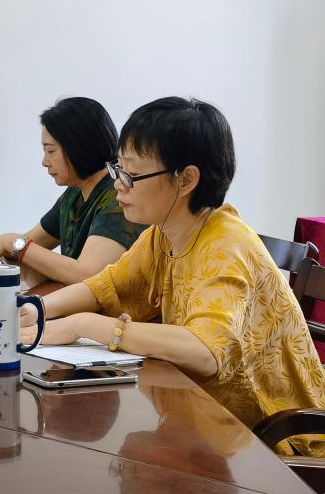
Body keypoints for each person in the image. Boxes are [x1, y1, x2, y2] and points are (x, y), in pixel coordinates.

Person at [19, 97, 325, 456]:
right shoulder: (164, 233)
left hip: (286, 444)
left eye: (131, 175)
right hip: (219, 427)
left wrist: (84, 325)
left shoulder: (226, 245)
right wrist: (37, 309)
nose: (119, 185)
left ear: (186, 179)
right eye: (118, 170)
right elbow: (106, 284)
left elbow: (205, 350)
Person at [0, 97, 145, 289]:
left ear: (79, 146)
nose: (44, 162)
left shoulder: (116, 197)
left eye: (50, 151)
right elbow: (31, 242)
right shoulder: (75, 193)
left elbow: (86, 274)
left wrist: (10, 241)